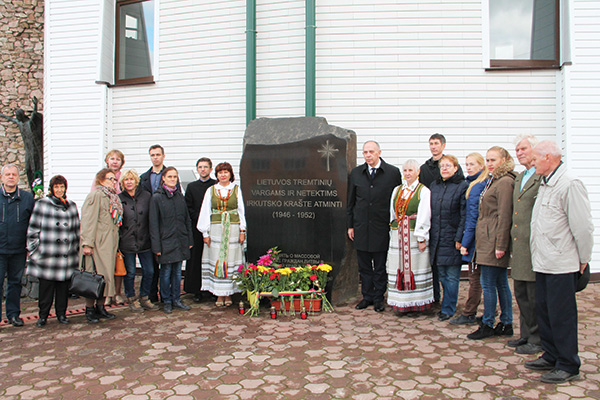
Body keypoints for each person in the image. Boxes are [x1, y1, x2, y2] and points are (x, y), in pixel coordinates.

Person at [524, 140, 593, 384]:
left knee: (562, 315)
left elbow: (583, 228)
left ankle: (568, 364)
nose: (531, 164)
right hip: (542, 261)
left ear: (549, 158)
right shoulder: (545, 183)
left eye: (534, 160)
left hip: (561, 263)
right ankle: (551, 355)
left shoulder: (569, 184)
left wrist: (583, 259)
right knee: (545, 311)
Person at [347, 141, 402, 313]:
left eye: (371, 151)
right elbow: (351, 202)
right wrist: (350, 226)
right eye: (365, 152)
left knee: (379, 266)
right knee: (364, 266)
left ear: (379, 152)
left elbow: (397, 201)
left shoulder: (392, 173)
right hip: (361, 227)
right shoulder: (356, 173)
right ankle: (367, 296)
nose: (368, 155)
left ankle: (379, 297)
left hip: (381, 227)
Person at [468, 147, 515, 340]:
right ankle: (506, 322)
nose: (489, 163)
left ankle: (488, 322)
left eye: (493, 160)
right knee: (500, 283)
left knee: (488, 283)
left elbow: (505, 215)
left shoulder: (504, 182)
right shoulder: (493, 180)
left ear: (504, 160)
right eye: (487, 160)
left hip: (493, 239)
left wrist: (501, 245)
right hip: (487, 238)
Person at [26, 175, 80, 327]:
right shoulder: (42, 204)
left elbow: (76, 231)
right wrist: (35, 252)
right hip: (47, 256)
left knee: (63, 289)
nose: (59, 190)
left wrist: (74, 252)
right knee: (46, 289)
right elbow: (33, 229)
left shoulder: (71, 205)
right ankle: (43, 315)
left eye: (62, 187)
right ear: (51, 188)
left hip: (66, 256)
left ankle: (61, 314)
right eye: (56, 187)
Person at [508, 134, 542, 354]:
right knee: (520, 293)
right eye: (517, 150)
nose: (519, 153)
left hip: (534, 245)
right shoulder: (520, 177)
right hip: (519, 245)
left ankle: (537, 339)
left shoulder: (541, 176)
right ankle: (525, 334)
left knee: (534, 295)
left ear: (535, 149)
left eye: (523, 149)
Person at [420, 133, 463, 303]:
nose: (433, 146)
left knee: (449, 274)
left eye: (436, 143)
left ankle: (448, 305)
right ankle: (435, 299)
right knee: (436, 271)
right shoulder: (426, 172)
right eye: (431, 143)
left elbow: (463, 211)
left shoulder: (459, 181)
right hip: (434, 229)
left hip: (450, 230)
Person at [386, 160, 432, 314]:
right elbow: (392, 213)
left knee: (416, 267)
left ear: (418, 171)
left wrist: (421, 238)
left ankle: (416, 303)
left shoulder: (423, 191)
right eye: (405, 170)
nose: (407, 173)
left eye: (410, 170)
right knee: (397, 266)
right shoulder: (397, 190)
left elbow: (425, 215)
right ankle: (400, 303)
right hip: (397, 235)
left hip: (414, 235)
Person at [198, 162, 247, 308]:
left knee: (231, 259)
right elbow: (205, 211)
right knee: (217, 258)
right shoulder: (211, 190)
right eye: (220, 172)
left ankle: (229, 293)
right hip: (216, 230)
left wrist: (242, 231)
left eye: (226, 172)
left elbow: (241, 210)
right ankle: (219, 294)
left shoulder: (236, 190)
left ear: (230, 174)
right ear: (217, 174)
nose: (223, 175)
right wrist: (205, 233)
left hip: (232, 229)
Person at [139, 144, 181, 303]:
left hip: (168, 227)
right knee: (152, 265)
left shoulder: (171, 176)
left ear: (163, 156)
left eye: (157, 154)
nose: (155, 157)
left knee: (168, 267)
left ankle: (170, 297)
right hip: (150, 225)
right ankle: (151, 294)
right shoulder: (144, 177)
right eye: (152, 155)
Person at [450, 153, 488, 325]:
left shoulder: (477, 186)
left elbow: (472, 218)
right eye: (467, 164)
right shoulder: (474, 183)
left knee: (475, 278)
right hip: (479, 239)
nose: (469, 167)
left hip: (475, 241)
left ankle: (469, 312)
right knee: (482, 279)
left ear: (481, 166)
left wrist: (465, 243)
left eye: (472, 164)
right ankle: (489, 310)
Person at [80, 168, 122, 323]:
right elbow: (88, 220)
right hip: (97, 244)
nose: (113, 181)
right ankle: (89, 309)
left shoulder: (112, 197)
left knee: (105, 277)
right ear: (100, 180)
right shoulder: (96, 196)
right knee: (93, 277)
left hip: (109, 244)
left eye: (114, 179)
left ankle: (100, 307)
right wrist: (87, 243)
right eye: (109, 178)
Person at [149, 167, 193, 314]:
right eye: (170, 177)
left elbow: (186, 219)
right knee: (166, 273)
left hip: (180, 240)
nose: (172, 179)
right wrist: (156, 246)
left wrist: (189, 239)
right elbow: (154, 224)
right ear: (163, 178)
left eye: (175, 177)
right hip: (165, 242)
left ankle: (176, 299)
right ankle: (166, 300)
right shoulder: (157, 197)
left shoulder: (180, 196)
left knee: (177, 273)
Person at [429, 155, 467, 321]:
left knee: (451, 276)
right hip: (437, 238)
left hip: (452, 239)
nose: (444, 169)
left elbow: (464, 216)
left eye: (448, 166)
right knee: (441, 274)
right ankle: (441, 303)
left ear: (455, 168)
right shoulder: (434, 185)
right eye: (442, 166)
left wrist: (460, 238)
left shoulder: (462, 186)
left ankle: (449, 308)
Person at [118, 169, 159, 312]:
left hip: (145, 240)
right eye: (126, 180)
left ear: (136, 181)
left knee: (149, 271)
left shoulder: (147, 196)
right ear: (123, 182)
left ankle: (144, 296)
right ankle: (131, 298)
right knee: (130, 273)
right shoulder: (119, 198)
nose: (129, 182)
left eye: (131, 179)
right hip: (127, 241)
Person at [0, 164, 34, 327]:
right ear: (2, 178)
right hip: (0, 249)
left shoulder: (27, 198)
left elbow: (33, 224)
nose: (11, 177)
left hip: (19, 249)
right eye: (7, 174)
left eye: (13, 174)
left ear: (18, 177)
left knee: (15, 283)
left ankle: (13, 315)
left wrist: (30, 246)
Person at [91, 149, 126, 306]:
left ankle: (116, 292)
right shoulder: (100, 183)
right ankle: (104, 296)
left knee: (118, 262)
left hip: (118, 227)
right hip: (104, 231)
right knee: (104, 265)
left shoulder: (123, 178)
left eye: (117, 159)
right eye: (112, 158)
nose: (114, 161)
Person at [184, 157, 216, 302]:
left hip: (214, 227)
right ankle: (196, 290)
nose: (203, 169)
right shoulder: (191, 187)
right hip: (196, 227)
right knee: (196, 258)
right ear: (197, 169)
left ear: (210, 169)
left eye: (205, 167)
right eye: (200, 167)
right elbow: (188, 207)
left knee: (212, 257)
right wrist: (200, 218)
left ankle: (212, 289)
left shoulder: (215, 185)